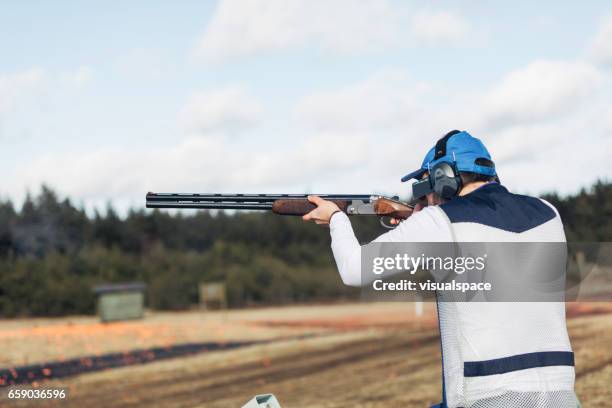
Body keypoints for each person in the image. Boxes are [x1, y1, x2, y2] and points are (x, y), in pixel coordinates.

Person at [303, 130, 578, 408]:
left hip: (487, 396)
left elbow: (354, 269)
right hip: (561, 394)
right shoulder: (548, 212)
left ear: (444, 178)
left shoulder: (440, 222)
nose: (425, 198)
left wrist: (336, 218)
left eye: (426, 188)